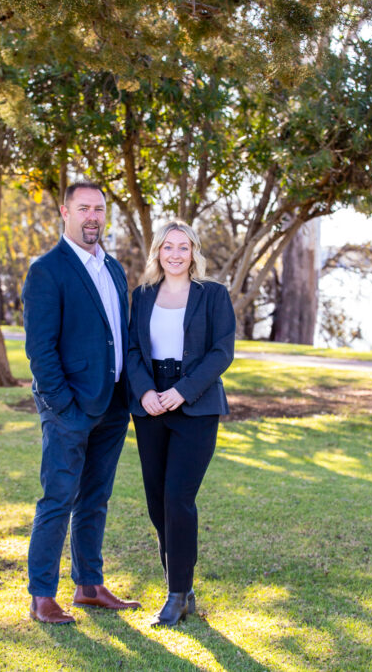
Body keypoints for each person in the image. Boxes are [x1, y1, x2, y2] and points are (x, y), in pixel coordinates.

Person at [21, 181, 142, 624]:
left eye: (100, 209)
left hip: (112, 405)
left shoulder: (113, 268)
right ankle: (42, 596)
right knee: (58, 496)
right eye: (84, 208)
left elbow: (120, 335)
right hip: (69, 408)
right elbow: (40, 350)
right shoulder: (47, 270)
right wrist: (63, 405)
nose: (93, 216)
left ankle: (89, 585)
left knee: (95, 497)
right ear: (64, 212)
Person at [126, 221, 235, 626]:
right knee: (157, 503)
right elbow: (133, 349)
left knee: (177, 499)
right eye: (168, 247)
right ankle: (183, 585)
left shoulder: (213, 296)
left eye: (183, 247)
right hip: (150, 405)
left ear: (193, 253)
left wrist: (183, 391)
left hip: (196, 405)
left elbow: (222, 352)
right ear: (158, 252)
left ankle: (175, 596)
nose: (175, 254)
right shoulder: (142, 296)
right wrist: (144, 392)